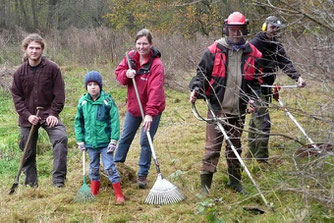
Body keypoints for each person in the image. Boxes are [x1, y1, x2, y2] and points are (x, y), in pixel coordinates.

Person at [189, 12, 263, 194]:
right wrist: (196, 90)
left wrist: (254, 99)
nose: (236, 34)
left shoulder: (253, 54)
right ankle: (205, 187)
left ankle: (235, 182)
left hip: (238, 110)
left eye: (239, 30)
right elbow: (201, 75)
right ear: (226, 29)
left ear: (245, 30)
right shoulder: (214, 50)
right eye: (232, 30)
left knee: (235, 148)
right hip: (217, 109)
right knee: (212, 148)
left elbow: (257, 83)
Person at [11, 33, 68, 188]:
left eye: (37, 48)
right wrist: (27, 116)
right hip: (28, 117)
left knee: (61, 139)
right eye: (31, 48)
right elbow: (16, 97)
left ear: (42, 50)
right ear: (26, 49)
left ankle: (58, 181)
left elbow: (60, 94)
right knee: (26, 147)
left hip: (49, 114)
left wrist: (53, 113)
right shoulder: (19, 73)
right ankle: (31, 183)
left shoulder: (52, 69)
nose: (34, 51)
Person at [247, 16, 306, 163]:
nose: (275, 31)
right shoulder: (255, 44)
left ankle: (251, 155)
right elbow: (245, 66)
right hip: (255, 87)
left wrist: (297, 78)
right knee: (264, 122)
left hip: (267, 87)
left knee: (256, 122)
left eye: (277, 28)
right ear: (265, 26)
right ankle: (261, 160)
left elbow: (284, 63)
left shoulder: (276, 44)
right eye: (272, 27)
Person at [114, 29, 166, 189]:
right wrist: (126, 74)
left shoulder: (156, 65)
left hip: (152, 109)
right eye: (139, 43)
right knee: (125, 137)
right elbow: (119, 74)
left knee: (145, 140)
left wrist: (150, 114)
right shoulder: (130, 58)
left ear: (150, 44)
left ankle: (142, 175)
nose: (141, 47)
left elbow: (155, 91)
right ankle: (116, 168)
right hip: (134, 107)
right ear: (135, 44)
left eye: (145, 43)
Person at [74, 71, 125, 204]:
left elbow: (115, 121)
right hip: (90, 143)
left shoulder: (107, 101)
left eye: (95, 84)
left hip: (106, 143)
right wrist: (80, 140)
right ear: (86, 87)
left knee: (109, 167)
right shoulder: (83, 102)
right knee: (93, 168)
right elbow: (78, 122)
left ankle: (119, 195)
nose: (92, 87)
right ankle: (94, 191)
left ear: (100, 86)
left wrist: (114, 139)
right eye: (89, 84)